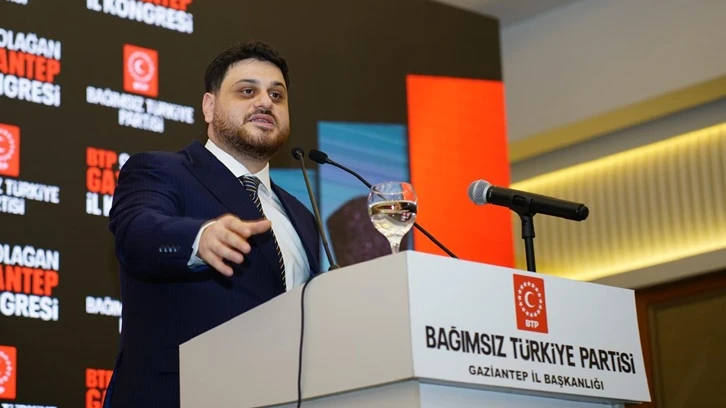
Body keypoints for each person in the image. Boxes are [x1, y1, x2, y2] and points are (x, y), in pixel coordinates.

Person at [103, 40, 321, 408]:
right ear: (209, 106)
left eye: (277, 95)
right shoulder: (161, 170)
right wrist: (199, 239)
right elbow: (136, 234)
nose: (265, 102)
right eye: (247, 91)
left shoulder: (301, 214)